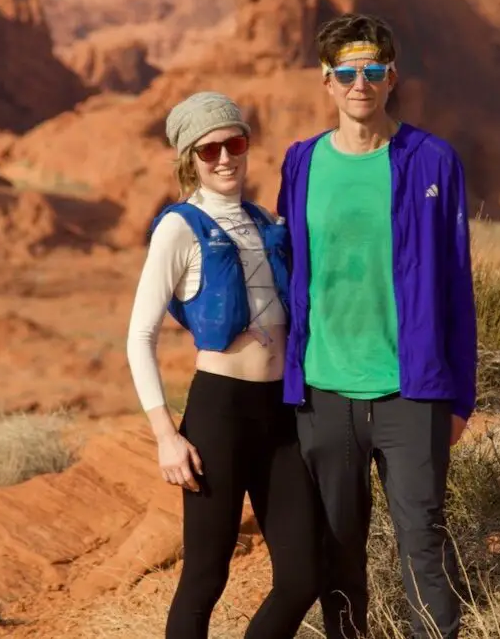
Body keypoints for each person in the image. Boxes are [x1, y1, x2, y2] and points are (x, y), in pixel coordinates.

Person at [275, 13, 478, 639]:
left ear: (391, 78)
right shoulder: (301, 163)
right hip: (325, 393)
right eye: (345, 72)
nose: (358, 83)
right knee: (338, 554)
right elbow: (287, 272)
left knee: (424, 546)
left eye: (371, 71)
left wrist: (460, 396)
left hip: (411, 391)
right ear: (326, 82)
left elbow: (455, 286)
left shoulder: (431, 160)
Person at [126, 91, 320, 639]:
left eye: (234, 143)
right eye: (209, 151)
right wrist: (166, 435)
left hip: (280, 415)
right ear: (190, 159)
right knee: (206, 575)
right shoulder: (178, 228)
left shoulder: (265, 223)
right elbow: (139, 337)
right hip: (219, 413)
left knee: (302, 575)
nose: (224, 158)